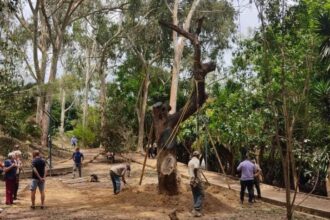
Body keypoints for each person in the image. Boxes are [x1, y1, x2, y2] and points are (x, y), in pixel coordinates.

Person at [188, 150, 204, 217]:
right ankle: (196, 209)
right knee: (201, 194)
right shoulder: (196, 161)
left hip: (191, 180)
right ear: (198, 156)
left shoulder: (190, 161)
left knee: (195, 195)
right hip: (196, 180)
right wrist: (197, 178)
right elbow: (195, 169)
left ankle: (195, 210)